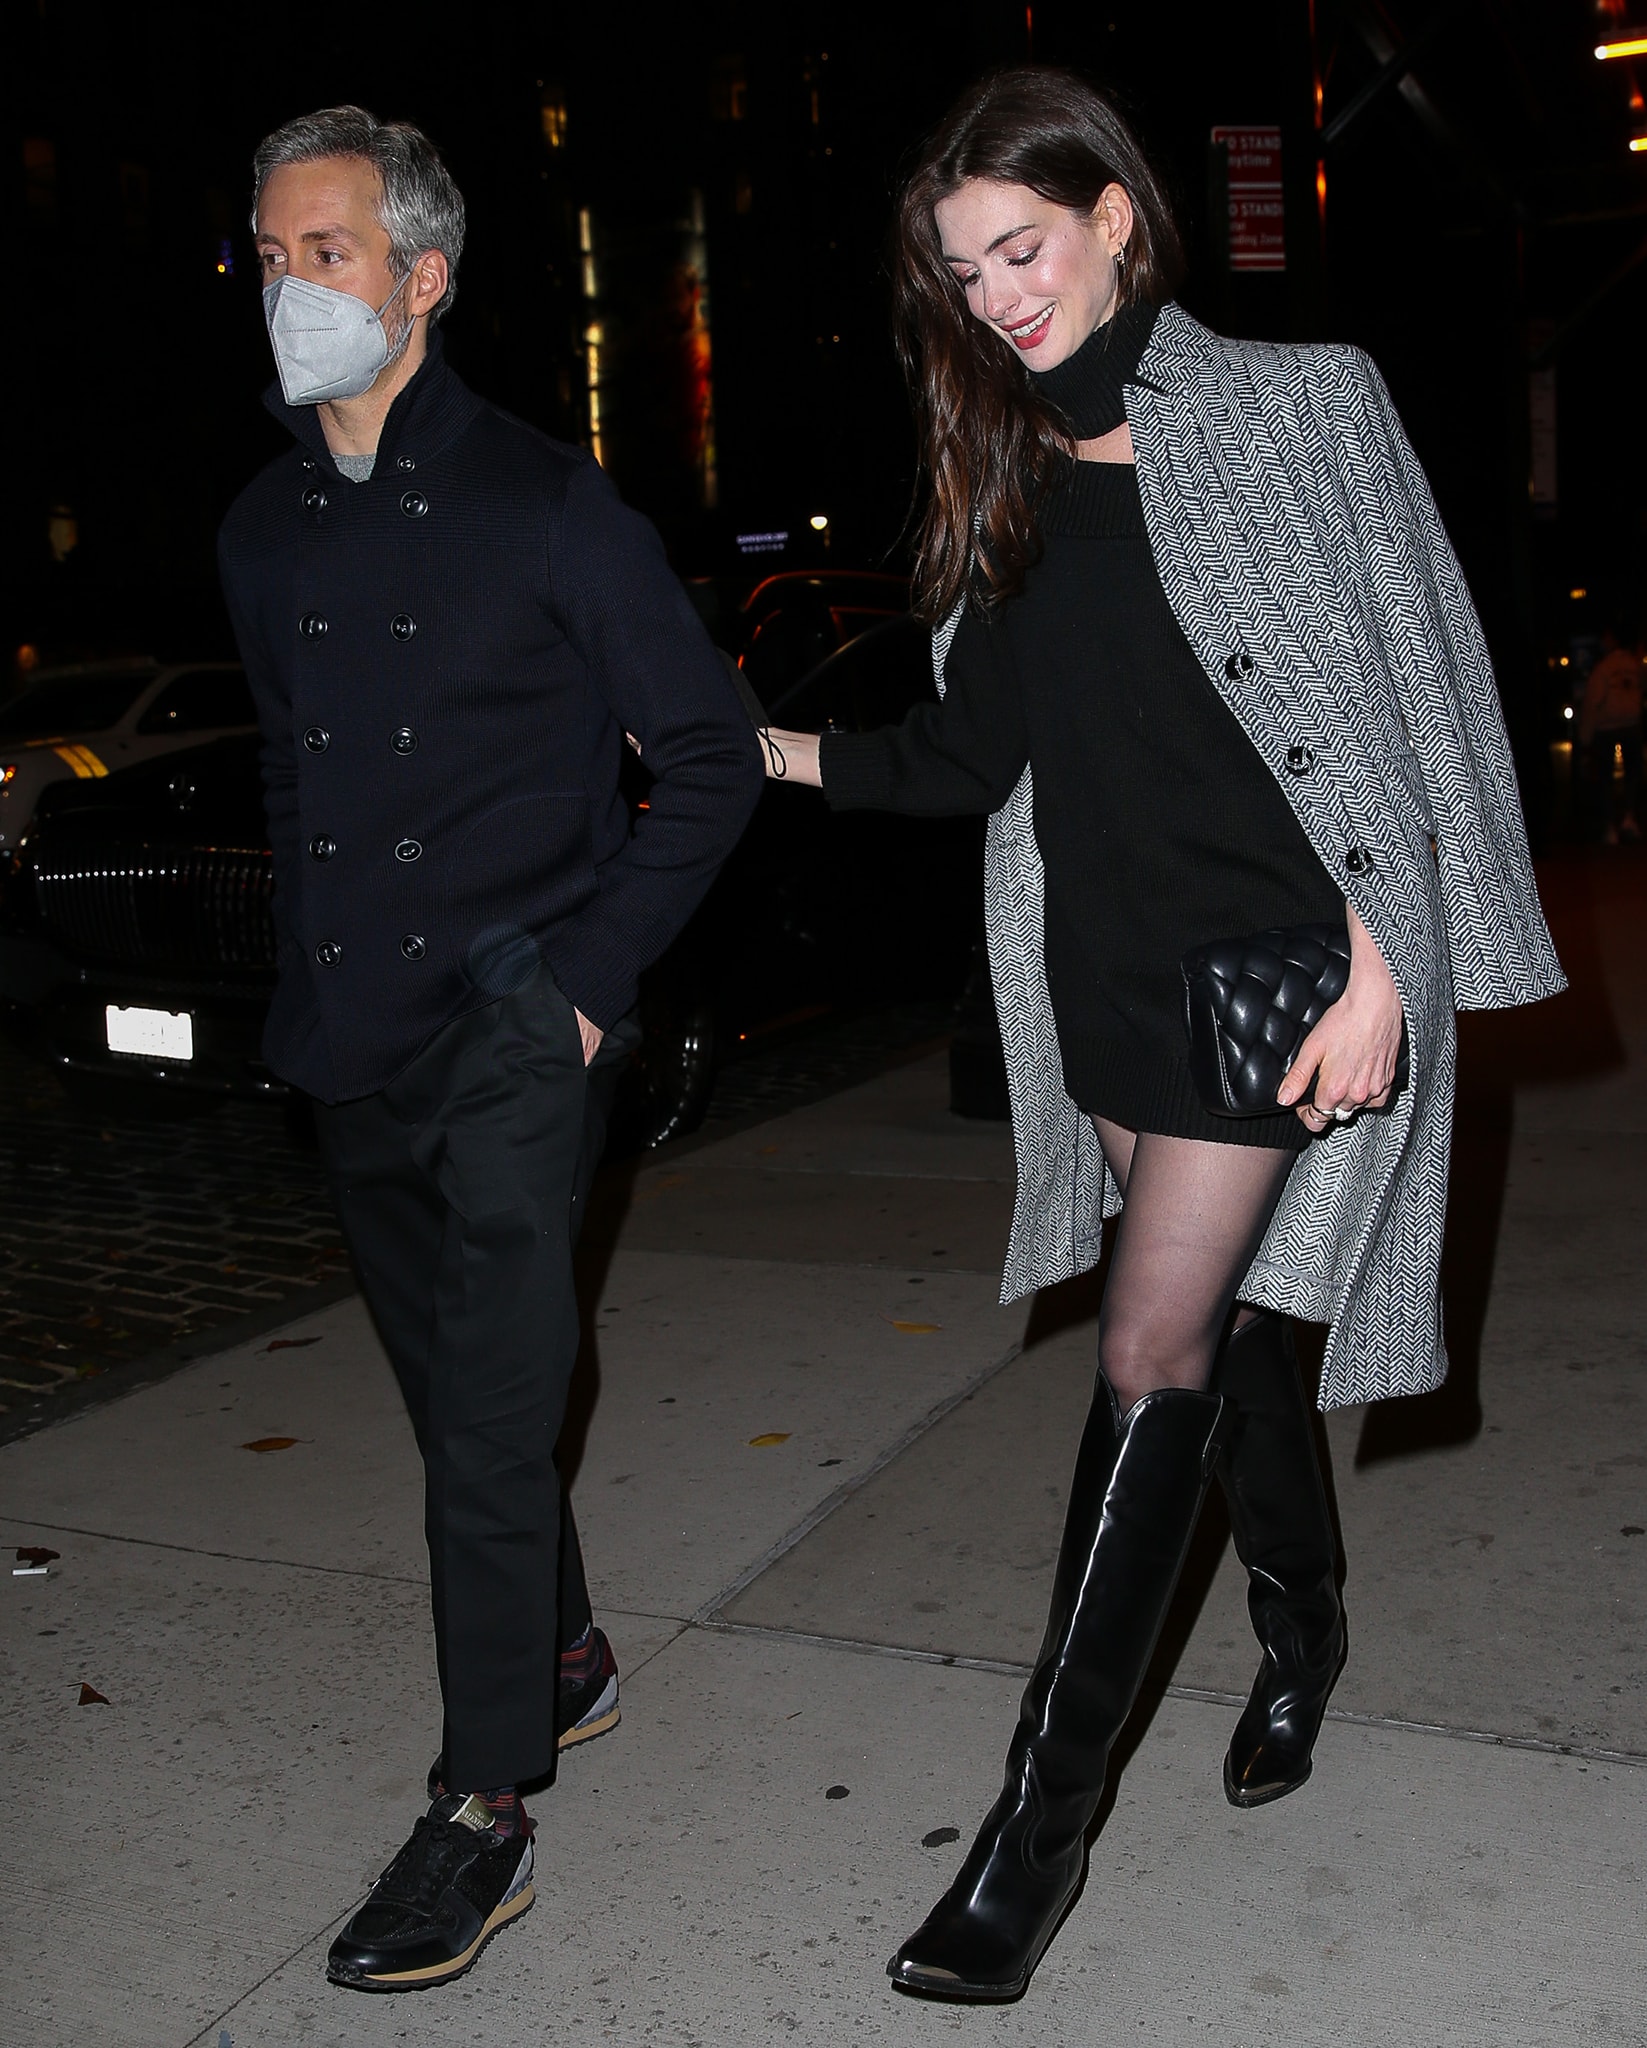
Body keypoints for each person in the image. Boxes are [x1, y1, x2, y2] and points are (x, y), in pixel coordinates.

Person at [760, 67, 1564, 2004]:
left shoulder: (1305, 404)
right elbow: (968, 752)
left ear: (1116, 218)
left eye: (1018, 250)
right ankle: (1300, 1619)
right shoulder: (1009, 478)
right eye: (960, 274)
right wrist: (761, 751)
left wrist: (1394, 957)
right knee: (1227, 1362)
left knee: (1144, 1348)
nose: (995, 297)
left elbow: (1427, 676)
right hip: (1106, 987)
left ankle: (1025, 1849)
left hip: (1280, 971)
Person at [218, 107, 763, 1993]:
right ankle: (568, 1645)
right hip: (350, 1041)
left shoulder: (549, 504)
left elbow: (701, 761)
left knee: (480, 1426)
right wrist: (296, 987)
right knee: (459, 1389)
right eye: (272, 254)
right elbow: (303, 779)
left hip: (523, 1023)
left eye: (330, 252)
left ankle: (480, 1808)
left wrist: (588, 979)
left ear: (424, 278)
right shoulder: (259, 526)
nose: (293, 285)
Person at [1578, 617, 1643, 843]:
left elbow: (1592, 703)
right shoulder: (1635, 666)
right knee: (1632, 776)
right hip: (1631, 724)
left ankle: (1610, 825)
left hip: (1606, 728)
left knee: (1605, 779)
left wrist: (1585, 739)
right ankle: (1628, 817)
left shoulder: (1603, 669)